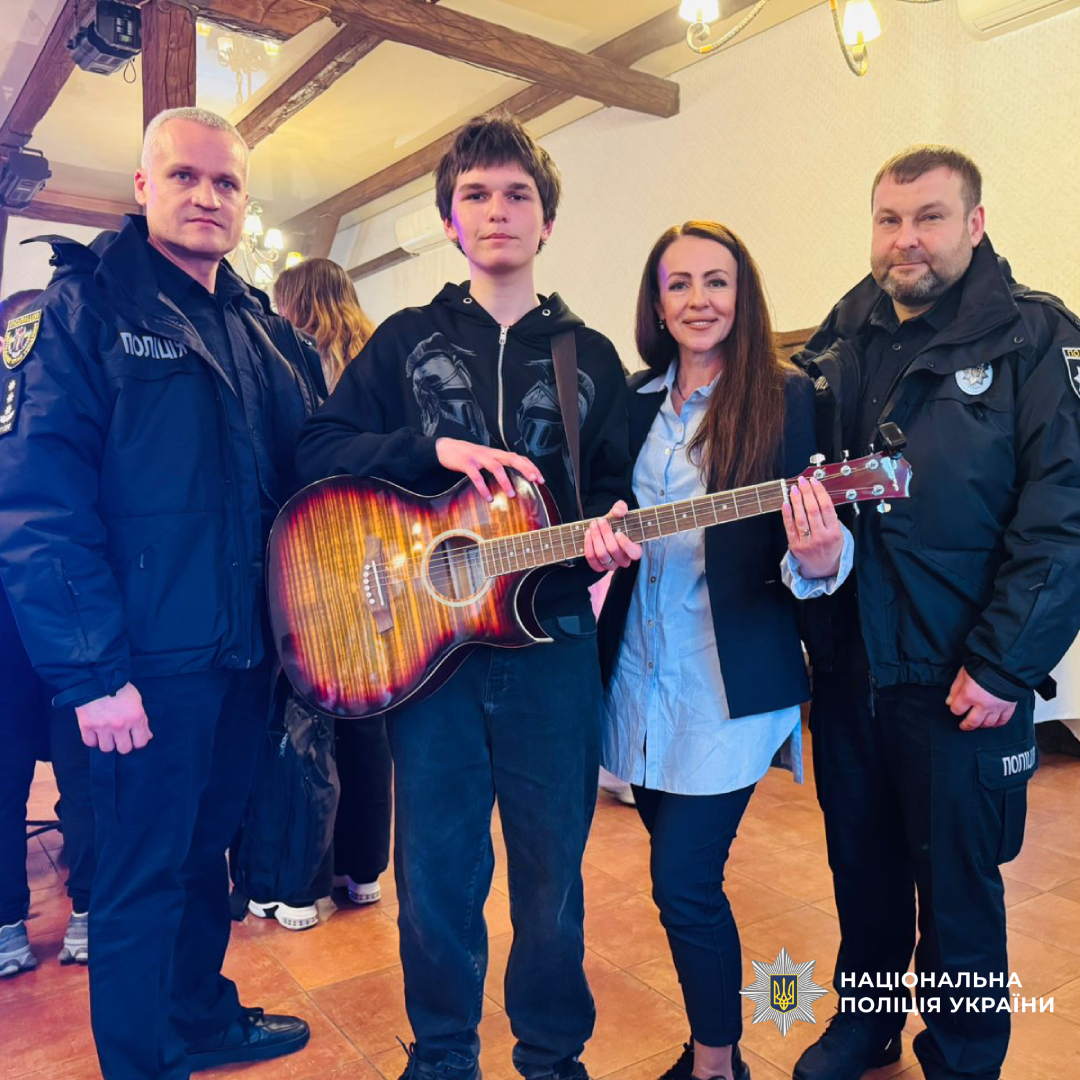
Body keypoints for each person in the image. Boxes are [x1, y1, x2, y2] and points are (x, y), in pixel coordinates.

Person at [296, 111, 635, 1080]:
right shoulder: (402, 342)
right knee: (438, 876)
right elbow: (316, 452)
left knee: (551, 879)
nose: (497, 211)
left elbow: (616, 484)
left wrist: (613, 527)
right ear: (451, 219)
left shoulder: (592, 356)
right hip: (427, 651)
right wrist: (427, 448)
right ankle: (443, 1055)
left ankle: (552, 1054)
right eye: (476, 195)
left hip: (552, 653)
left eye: (517, 194)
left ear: (546, 221)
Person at [0, 107, 324, 1079]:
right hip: (140, 672)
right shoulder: (87, 308)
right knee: (140, 882)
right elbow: (39, 502)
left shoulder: (260, 327)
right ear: (143, 188)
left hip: (240, 659)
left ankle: (200, 1018)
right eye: (184, 176)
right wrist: (95, 675)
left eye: (225, 183)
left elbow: (315, 465)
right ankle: (143, 1061)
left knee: (204, 863)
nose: (206, 196)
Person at [791, 145, 1080, 1080]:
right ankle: (866, 1025)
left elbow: (1064, 515)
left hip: (964, 677)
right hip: (853, 670)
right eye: (888, 218)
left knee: (958, 892)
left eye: (929, 217)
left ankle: (963, 1054)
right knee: (862, 872)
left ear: (976, 223)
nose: (905, 238)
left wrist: (1004, 664)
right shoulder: (841, 339)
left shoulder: (1035, 338)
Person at [596, 222, 850, 1080]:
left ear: (742, 297)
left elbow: (817, 544)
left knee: (683, 884)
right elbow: (602, 510)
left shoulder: (785, 396)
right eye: (679, 285)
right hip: (639, 676)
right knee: (680, 889)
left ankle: (715, 1065)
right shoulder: (633, 402)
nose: (698, 300)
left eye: (717, 282)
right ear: (656, 302)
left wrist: (821, 557)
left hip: (729, 680)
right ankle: (716, 1051)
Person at [0, 288, 96, 976]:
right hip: (56, 616)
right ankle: (77, 914)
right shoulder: (77, 401)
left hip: (53, 618)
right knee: (80, 769)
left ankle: (28, 921)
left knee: (78, 768)